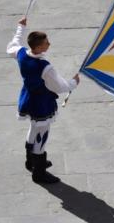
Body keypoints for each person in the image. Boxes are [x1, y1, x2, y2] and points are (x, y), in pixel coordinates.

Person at [7, 17, 80, 184]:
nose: (49, 44)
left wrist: (20, 27)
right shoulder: (45, 67)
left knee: (34, 128)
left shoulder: (21, 53)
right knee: (42, 133)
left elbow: (13, 44)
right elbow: (60, 87)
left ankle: (30, 161)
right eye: (46, 43)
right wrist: (74, 82)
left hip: (28, 97)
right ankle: (38, 172)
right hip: (41, 103)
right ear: (39, 47)